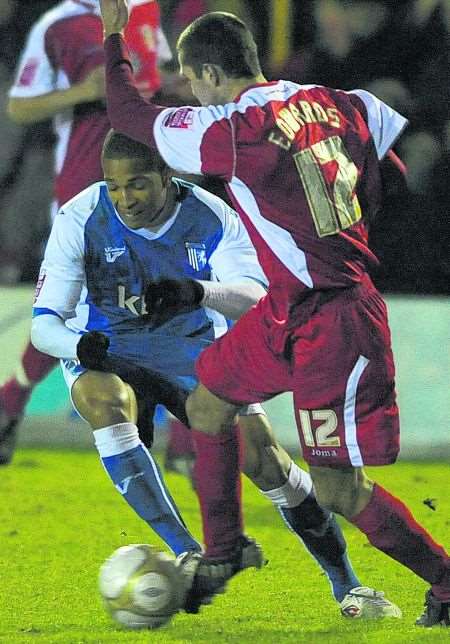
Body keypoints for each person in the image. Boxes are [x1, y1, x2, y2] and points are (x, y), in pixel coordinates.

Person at [99, 3, 450, 627]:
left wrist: (113, 34)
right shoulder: (341, 100)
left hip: (335, 322)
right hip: (287, 310)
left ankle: (448, 583)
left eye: (191, 81)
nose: (192, 93)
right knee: (208, 403)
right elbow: (393, 176)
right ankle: (225, 553)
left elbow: (128, 116)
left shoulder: (234, 126)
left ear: (209, 74)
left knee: (339, 489)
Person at [30, 129, 397, 617]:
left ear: (167, 175)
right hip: (108, 349)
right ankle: (188, 553)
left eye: (137, 184)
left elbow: (254, 294)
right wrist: (78, 344)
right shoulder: (80, 215)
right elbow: (44, 323)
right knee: (104, 401)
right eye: (115, 187)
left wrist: (196, 291)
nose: (124, 199)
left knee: (269, 466)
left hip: (193, 349)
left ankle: (347, 584)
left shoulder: (213, 215)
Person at [0, 0, 172, 464]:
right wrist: (82, 91)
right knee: (80, 305)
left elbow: (158, 82)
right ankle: (11, 402)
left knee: (160, 298)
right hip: (85, 188)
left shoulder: (146, 11)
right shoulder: (60, 25)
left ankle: (9, 402)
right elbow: (18, 106)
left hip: (151, 183)